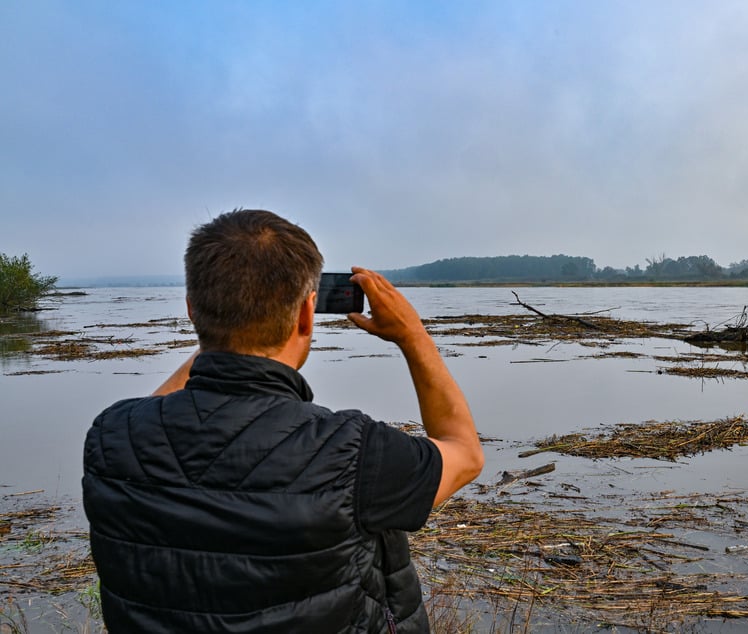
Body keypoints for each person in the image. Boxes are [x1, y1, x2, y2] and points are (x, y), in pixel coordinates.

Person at [82, 209, 484, 633]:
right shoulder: (353, 451)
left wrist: (221, 335)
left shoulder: (112, 437)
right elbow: (464, 453)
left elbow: (156, 413)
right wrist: (413, 335)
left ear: (191, 311)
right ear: (307, 315)